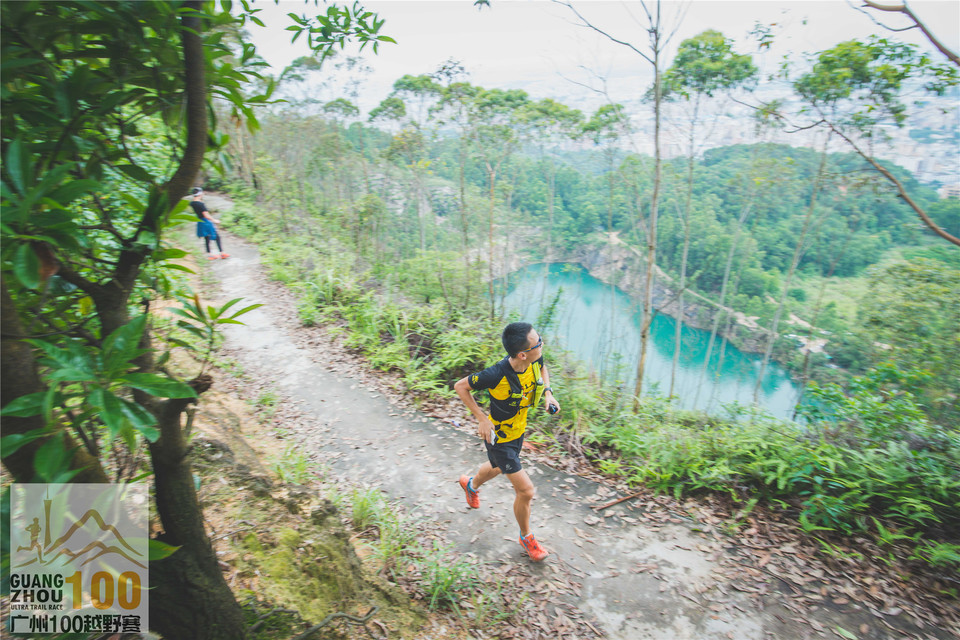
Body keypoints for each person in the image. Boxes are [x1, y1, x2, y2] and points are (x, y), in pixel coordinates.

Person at [455, 322, 560, 562]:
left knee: (498, 467)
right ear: (522, 353)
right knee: (526, 491)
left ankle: (470, 485)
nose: (542, 344)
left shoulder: (533, 360)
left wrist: (548, 393)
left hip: (518, 433)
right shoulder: (496, 374)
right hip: (499, 438)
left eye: (540, 338)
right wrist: (481, 418)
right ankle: (527, 537)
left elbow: (543, 369)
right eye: (539, 343)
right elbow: (460, 386)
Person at [190, 187, 228, 260]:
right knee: (216, 236)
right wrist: (214, 220)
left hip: (200, 221)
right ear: (200, 194)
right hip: (206, 222)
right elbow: (206, 215)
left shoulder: (192, 203)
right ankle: (222, 253)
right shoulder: (201, 204)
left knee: (206, 237)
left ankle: (210, 254)